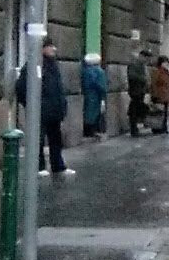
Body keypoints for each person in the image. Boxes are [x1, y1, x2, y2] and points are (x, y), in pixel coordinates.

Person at [14, 38, 71, 175]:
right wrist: (30, 104)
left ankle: (58, 165)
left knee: (56, 139)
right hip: (40, 110)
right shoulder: (33, 65)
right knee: (38, 140)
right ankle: (39, 166)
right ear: (42, 48)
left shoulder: (53, 65)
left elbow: (58, 88)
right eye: (50, 46)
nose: (54, 49)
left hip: (54, 110)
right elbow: (21, 87)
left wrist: (62, 106)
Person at [80, 53, 109, 138]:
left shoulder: (85, 71)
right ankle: (93, 131)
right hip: (96, 95)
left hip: (88, 94)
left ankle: (87, 131)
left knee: (88, 112)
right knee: (95, 112)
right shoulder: (99, 71)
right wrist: (104, 95)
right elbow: (102, 85)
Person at [149, 56, 169, 134]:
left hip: (166, 95)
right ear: (161, 63)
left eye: (168, 63)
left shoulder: (167, 72)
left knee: (165, 113)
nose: (167, 65)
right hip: (159, 95)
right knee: (158, 113)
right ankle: (157, 128)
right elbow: (153, 84)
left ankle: (164, 127)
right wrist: (154, 95)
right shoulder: (157, 71)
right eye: (166, 63)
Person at [127, 52, 150, 136]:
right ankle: (133, 128)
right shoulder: (134, 64)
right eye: (146, 58)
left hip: (141, 91)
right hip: (135, 91)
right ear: (141, 56)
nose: (147, 60)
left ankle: (136, 126)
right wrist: (143, 79)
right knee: (134, 109)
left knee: (138, 109)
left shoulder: (143, 65)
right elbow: (131, 76)